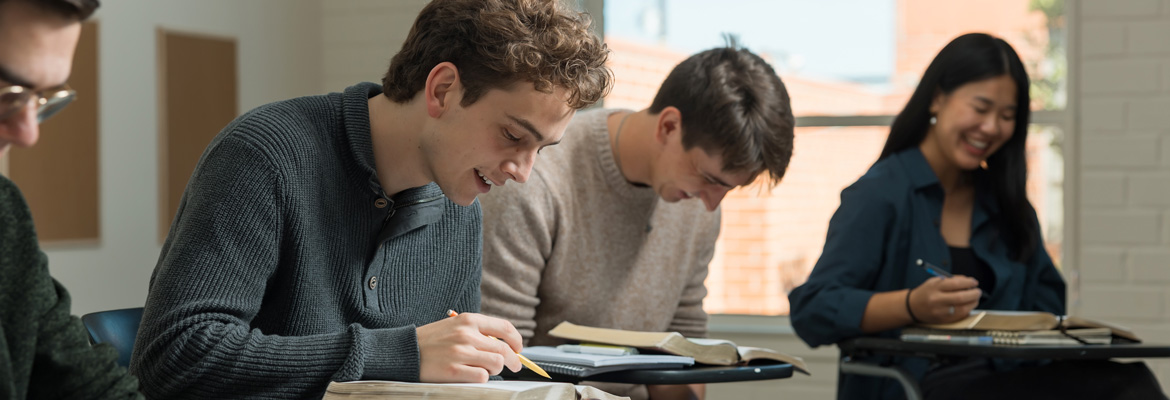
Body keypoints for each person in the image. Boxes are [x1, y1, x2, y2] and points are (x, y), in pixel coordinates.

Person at [128, 0, 612, 398]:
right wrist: (403, 353)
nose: (523, 173)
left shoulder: (459, 208)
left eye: (540, 150)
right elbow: (173, 356)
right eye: (511, 135)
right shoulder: (265, 155)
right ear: (442, 90)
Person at [789, 33, 1165, 400]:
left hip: (1008, 376)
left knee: (1129, 378)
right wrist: (910, 305)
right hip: (919, 383)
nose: (991, 127)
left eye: (1006, 116)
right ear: (937, 99)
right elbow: (813, 309)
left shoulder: (1006, 205)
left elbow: (1047, 304)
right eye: (980, 108)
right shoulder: (881, 194)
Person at [479, 42, 794, 400]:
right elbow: (501, 363)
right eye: (710, 179)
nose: (712, 205)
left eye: (729, 189)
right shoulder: (535, 182)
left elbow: (687, 349)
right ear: (669, 126)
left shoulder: (696, 208)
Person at [0, 0, 143, 398]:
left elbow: (82, 381)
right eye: (6, 91)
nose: (28, 134)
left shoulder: (3, 211)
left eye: (41, 98)